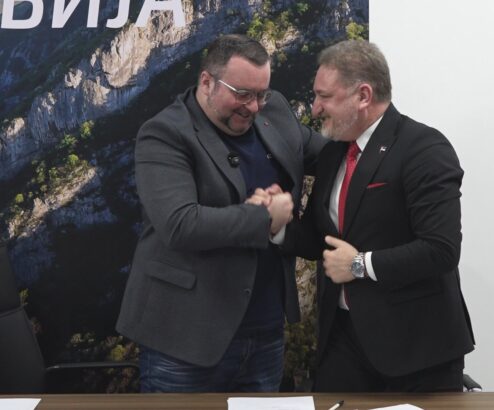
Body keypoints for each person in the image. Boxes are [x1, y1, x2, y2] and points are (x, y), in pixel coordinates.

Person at [116, 34, 326, 392]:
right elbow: (180, 225)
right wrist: (265, 218)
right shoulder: (164, 133)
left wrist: (397, 147)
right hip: (185, 339)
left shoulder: (274, 111)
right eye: (242, 94)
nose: (254, 107)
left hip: (265, 334)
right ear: (206, 82)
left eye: (261, 94)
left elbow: (330, 155)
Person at [281, 40, 475, 392]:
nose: (315, 108)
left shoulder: (424, 149)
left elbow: (441, 249)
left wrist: (359, 265)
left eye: (325, 96)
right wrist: (277, 225)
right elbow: (318, 240)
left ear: (363, 95)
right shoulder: (333, 154)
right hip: (342, 344)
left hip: (416, 349)